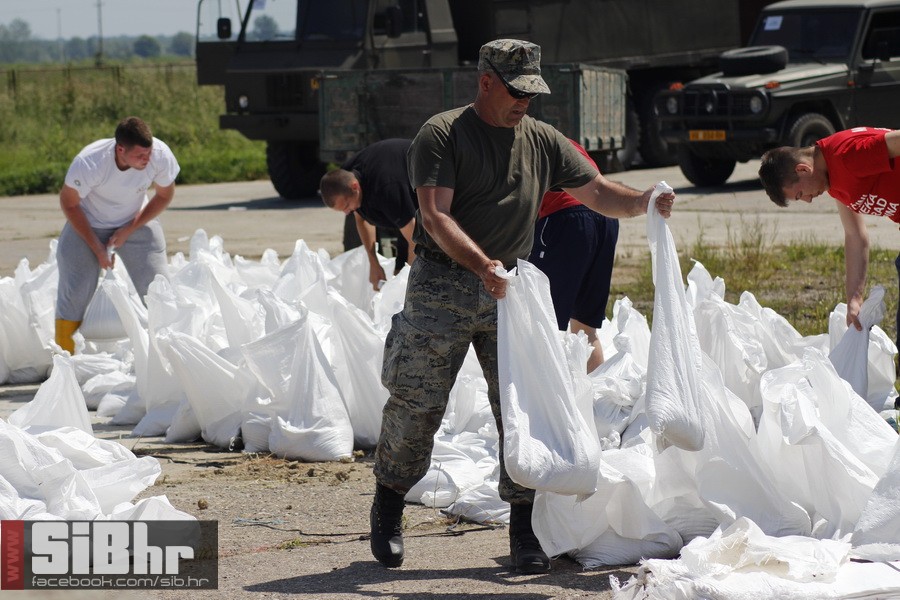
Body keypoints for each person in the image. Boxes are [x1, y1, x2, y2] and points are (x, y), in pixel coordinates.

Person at [370, 39, 675, 574]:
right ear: (486, 82)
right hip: (442, 286)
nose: (524, 103)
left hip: (510, 292)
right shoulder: (442, 134)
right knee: (417, 401)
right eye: (516, 92)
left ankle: (523, 529)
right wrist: (481, 265)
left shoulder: (541, 139)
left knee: (520, 408)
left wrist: (643, 201)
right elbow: (434, 216)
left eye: (532, 93)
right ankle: (389, 501)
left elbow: (598, 193)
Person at [758, 127, 900, 348]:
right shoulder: (833, 178)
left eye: (800, 194)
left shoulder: (847, 156)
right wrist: (854, 298)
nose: (808, 200)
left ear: (803, 169)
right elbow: (855, 235)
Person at [55, 116, 180, 354]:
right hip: (88, 224)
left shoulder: (160, 155)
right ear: (120, 149)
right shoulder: (91, 162)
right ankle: (65, 359)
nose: (147, 159)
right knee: (75, 293)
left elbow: (164, 195)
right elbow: (69, 203)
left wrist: (129, 229)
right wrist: (98, 248)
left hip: (136, 221)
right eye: (140, 155)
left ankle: (170, 354)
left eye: (149, 153)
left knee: (158, 289)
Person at [529, 139, 619, 374]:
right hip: (605, 216)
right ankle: (595, 393)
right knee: (585, 330)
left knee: (542, 322)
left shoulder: (519, 141)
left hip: (566, 218)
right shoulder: (559, 139)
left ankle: (545, 394)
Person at [319, 138, 417, 290]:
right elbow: (362, 220)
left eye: (346, 206)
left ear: (355, 187)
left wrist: (406, 284)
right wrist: (374, 263)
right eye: (342, 210)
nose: (347, 212)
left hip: (427, 178)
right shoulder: (345, 176)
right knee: (399, 275)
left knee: (411, 278)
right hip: (393, 182)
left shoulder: (386, 190)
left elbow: (415, 240)